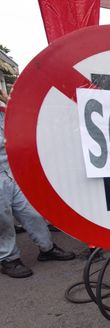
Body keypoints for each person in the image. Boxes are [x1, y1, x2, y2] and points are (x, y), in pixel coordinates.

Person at [0, 88, 75, 279]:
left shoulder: (3, 110)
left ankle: (47, 248)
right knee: (4, 221)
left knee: (32, 212)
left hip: (10, 171)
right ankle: (8, 259)